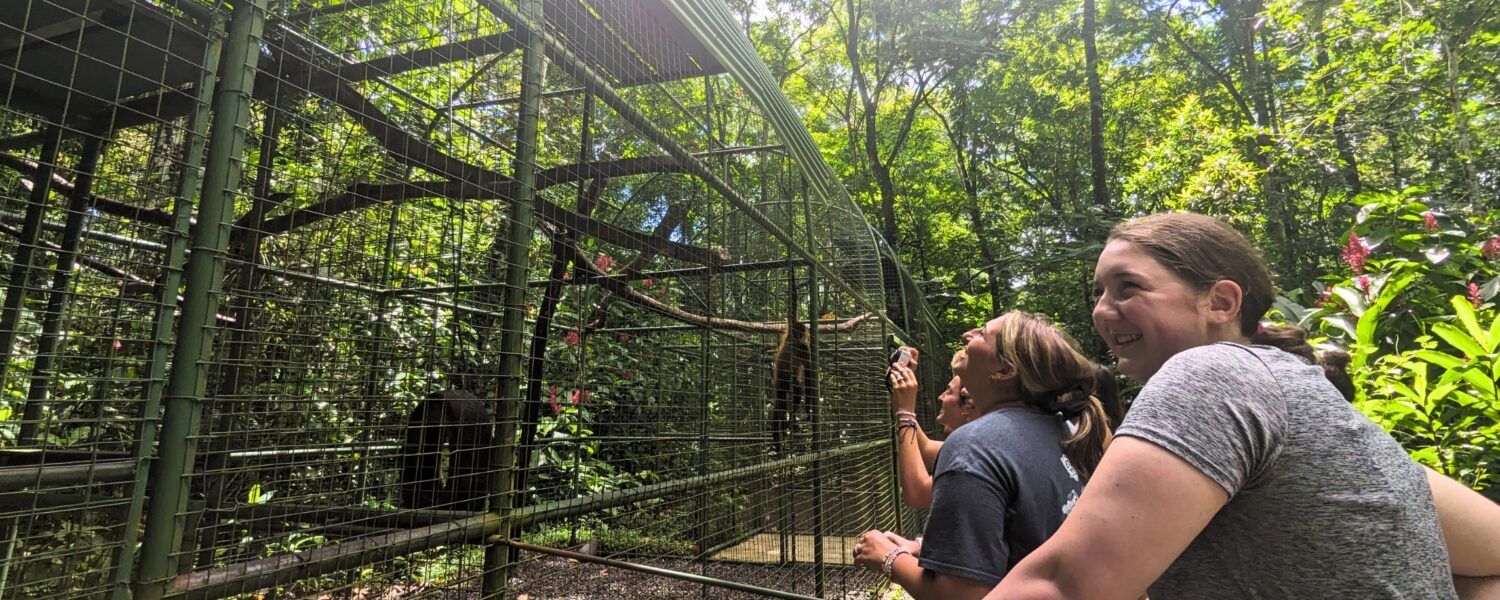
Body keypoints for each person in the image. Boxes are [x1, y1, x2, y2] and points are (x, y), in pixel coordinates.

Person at [989, 212, 1500, 599]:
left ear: (1221, 303)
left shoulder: (1212, 374)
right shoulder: (1306, 396)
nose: (1101, 311)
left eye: (1129, 287)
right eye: (1099, 292)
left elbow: (1064, 586)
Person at [853, 311, 1118, 599]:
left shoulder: (976, 445)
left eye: (982, 332)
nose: (968, 334)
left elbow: (958, 595)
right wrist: (903, 403)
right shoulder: (1057, 428)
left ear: (1004, 371)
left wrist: (888, 557)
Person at [890, 350, 980, 508]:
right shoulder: (974, 441)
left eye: (949, 391)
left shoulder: (975, 451)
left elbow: (917, 494)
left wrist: (906, 411)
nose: (941, 396)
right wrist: (900, 391)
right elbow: (924, 448)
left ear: (969, 405)